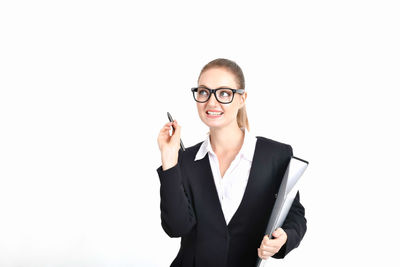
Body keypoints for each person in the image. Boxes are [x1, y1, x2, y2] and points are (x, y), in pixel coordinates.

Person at [156, 58, 307, 267]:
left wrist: (285, 237)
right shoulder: (185, 160)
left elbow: (294, 214)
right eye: (203, 92)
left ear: (242, 98)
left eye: (224, 93)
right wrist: (169, 160)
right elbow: (176, 227)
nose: (211, 102)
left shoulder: (275, 156)